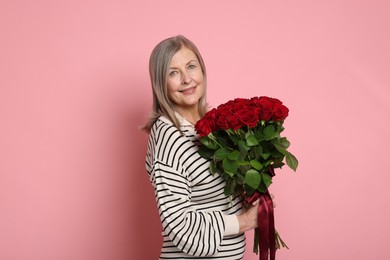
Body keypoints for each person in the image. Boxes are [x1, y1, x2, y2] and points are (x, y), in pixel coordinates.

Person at [143, 35, 259, 259]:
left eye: (191, 66)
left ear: (202, 70)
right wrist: (243, 222)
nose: (187, 79)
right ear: (160, 83)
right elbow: (178, 224)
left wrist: (254, 197)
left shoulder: (210, 126)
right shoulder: (169, 135)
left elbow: (214, 198)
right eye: (173, 73)